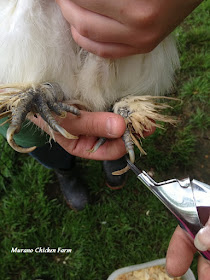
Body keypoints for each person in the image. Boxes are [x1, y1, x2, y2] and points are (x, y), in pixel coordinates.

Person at [52, 1, 208, 279]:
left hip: (128, 57)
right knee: (45, 135)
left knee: (121, 124)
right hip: (32, 35)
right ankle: (65, 170)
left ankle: (114, 157)